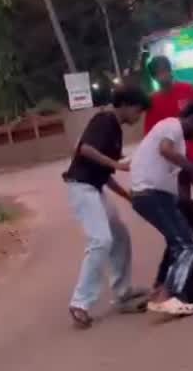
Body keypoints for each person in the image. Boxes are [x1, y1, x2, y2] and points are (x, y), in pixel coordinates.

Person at [63, 84, 151, 329]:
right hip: (81, 187)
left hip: (95, 187)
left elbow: (104, 173)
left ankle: (123, 292)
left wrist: (127, 196)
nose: (138, 116)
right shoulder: (104, 120)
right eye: (138, 110)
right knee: (101, 240)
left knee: (120, 235)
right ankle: (80, 303)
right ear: (124, 105)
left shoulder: (115, 129)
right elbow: (85, 150)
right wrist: (118, 163)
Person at [129, 101, 193, 317]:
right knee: (189, 247)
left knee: (175, 242)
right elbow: (164, 150)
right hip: (150, 194)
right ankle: (171, 297)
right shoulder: (172, 125)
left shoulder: (177, 137)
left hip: (154, 195)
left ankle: (159, 289)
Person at [145, 56, 193, 207]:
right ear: (154, 77)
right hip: (174, 159)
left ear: (170, 71)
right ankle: (191, 229)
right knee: (182, 200)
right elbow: (151, 135)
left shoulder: (188, 90)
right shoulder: (152, 101)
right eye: (159, 73)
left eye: (165, 71)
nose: (163, 76)